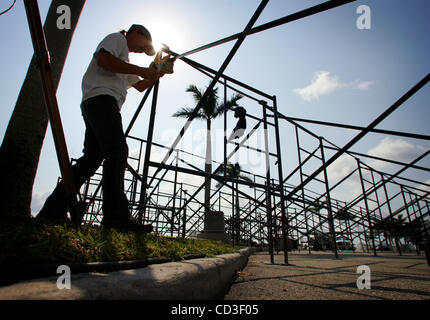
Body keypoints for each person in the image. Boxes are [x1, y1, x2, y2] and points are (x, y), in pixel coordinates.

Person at [37, 24, 162, 232]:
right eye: (143, 47)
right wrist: (142, 70)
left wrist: (157, 75)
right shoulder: (117, 39)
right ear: (137, 33)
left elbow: (139, 85)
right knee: (117, 151)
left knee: (92, 158)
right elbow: (103, 60)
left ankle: (53, 209)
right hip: (101, 100)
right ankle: (116, 217)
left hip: (99, 102)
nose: (141, 52)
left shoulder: (124, 60)